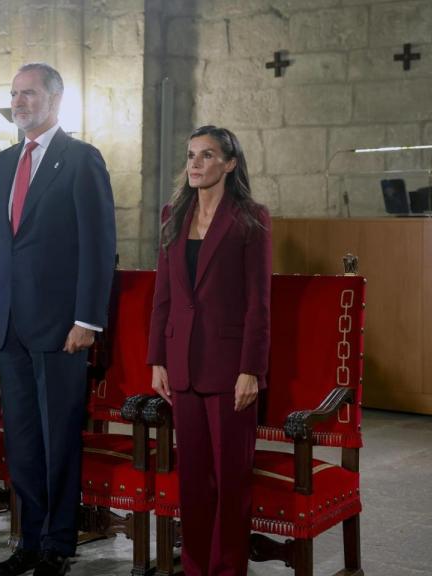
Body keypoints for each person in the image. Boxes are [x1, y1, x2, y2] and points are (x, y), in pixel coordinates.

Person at [0, 63, 116, 576]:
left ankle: (59, 544)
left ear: (56, 99)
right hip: (11, 326)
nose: (18, 102)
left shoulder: (81, 160)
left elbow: (99, 248)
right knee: (21, 439)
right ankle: (29, 541)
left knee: (58, 436)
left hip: (63, 328)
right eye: (14, 94)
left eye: (29, 93)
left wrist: (87, 319)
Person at [148, 125, 271, 576]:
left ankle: (227, 568)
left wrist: (251, 370)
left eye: (207, 155)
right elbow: (164, 294)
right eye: (191, 155)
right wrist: (157, 358)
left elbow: (259, 302)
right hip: (181, 365)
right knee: (194, 479)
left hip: (230, 368)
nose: (195, 164)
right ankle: (196, 566)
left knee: (231, 479)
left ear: (230, 164)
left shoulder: (251, 218)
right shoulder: (173, 215)